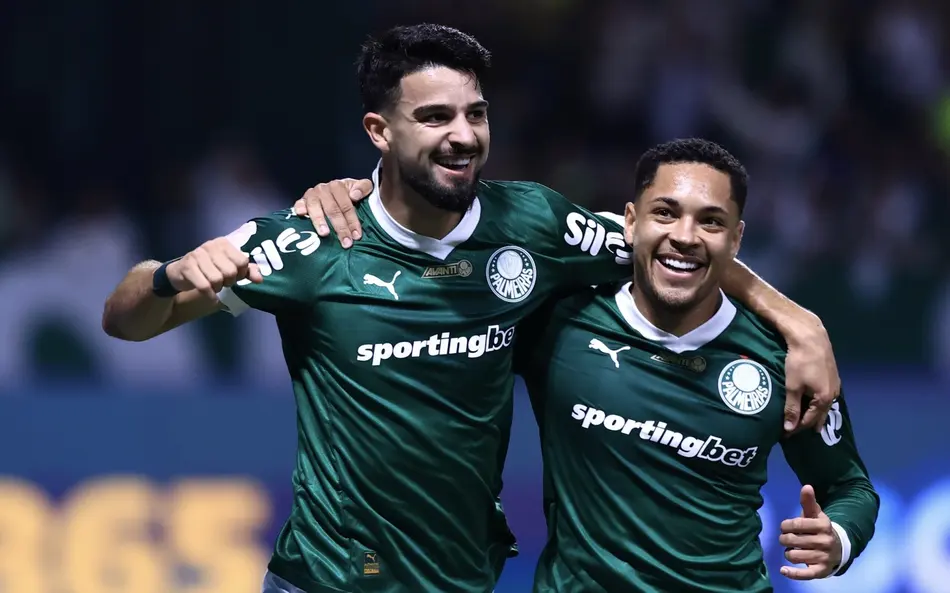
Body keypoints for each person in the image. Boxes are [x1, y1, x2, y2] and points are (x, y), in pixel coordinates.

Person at [102, 25, 839, 593]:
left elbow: (670, 245)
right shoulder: (313, 242)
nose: (463, 134)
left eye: (475, 113)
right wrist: (168, 276)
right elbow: (125, 318)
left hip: (464, 578)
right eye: (434, 116)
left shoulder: (535, 225)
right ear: (379, 132)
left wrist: (797, 320)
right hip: (326, 578)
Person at [512, 138, 879, 592]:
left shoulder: (787, 358)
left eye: (710, 221)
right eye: (665, 212)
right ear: (630, 222)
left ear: (736, 239)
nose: (685, 236)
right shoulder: (559, 323)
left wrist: (838, 538)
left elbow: (849, 488)